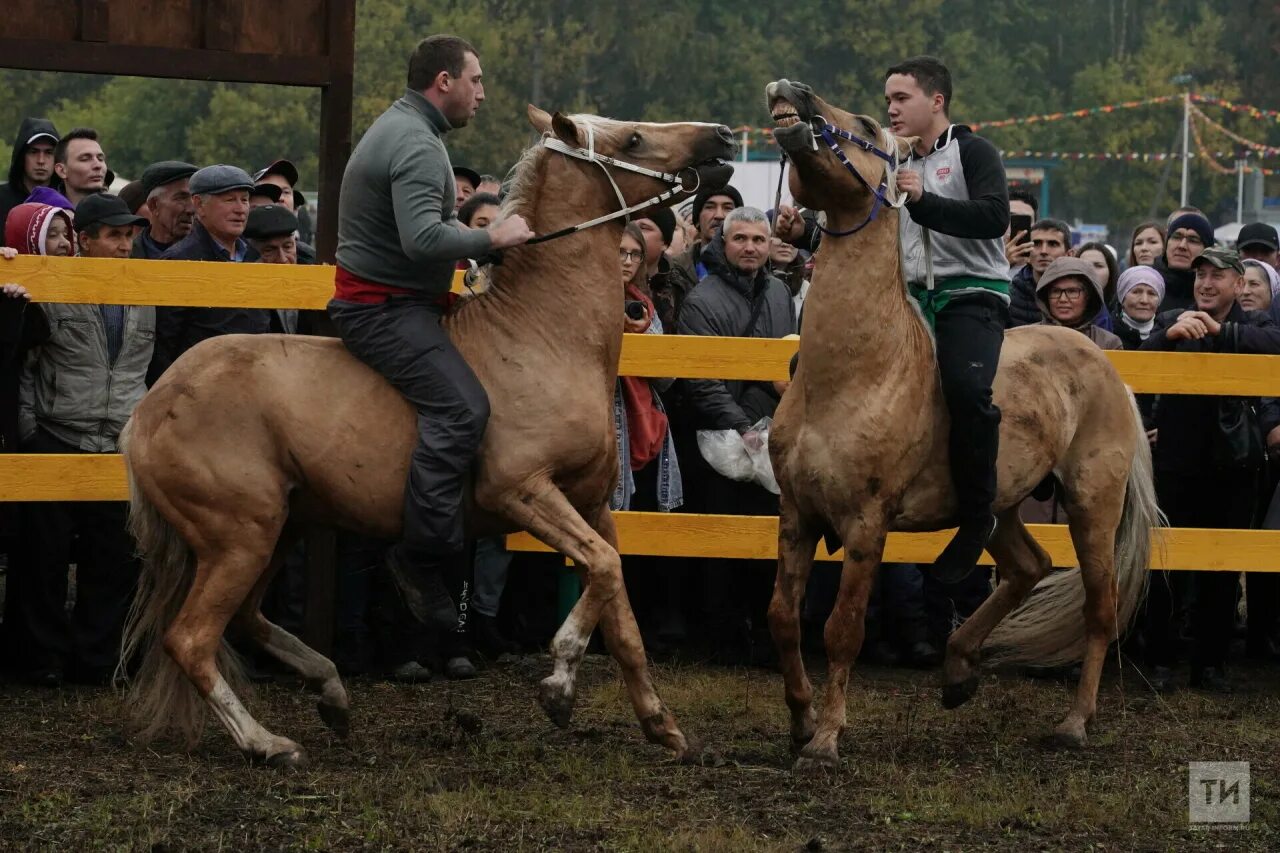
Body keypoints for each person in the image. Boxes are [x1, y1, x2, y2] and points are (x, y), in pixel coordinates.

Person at [329, 34, 532, 630]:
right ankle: (419, 559)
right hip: (383, 311)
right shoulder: (416, 143)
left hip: (402, 302)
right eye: (476, 79)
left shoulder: (408, 130)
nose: (482, 93)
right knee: (463, 409)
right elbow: (423, 240)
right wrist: (493, 238)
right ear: (443, 81)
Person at [10, 193, 151, 686]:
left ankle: (96, 663)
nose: (124, 245)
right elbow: (26, 367)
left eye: (130, 235)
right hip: (57, 435)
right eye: (113, 235)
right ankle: (39, 663)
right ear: (83, 240)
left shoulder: (149, 289)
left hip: (119, 441)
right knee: (42, 560)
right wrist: (30, 433)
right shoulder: (53, 286)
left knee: (114, 558)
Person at [884, 55, 1011, 582]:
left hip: (972, 294)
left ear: (936, 101)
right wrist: (801, 233)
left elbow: (994, 216)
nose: (890, 109)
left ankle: (979, 516)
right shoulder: (890, 159)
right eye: (887, 99)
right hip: (910, 300)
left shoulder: (974, 150)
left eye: (901, 98)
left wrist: (924, 200)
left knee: (965, 389)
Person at [1140, 247, 1280, 692]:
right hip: (1177, 461)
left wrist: (1224, 333)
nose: (1205, 282)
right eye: (1200, 274)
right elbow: (1140, 359)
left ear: (1239, 286)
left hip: (1235, 463)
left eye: (1217, 275)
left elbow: (1274, 344)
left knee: (1223, 564)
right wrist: (1169, 338)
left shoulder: (1254, 325)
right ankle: (1158, 658)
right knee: (1162, 562)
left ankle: (1211, 663)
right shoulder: (1172, 319)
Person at [677, 206, 795, 665]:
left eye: (759, 240)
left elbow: (790, 363)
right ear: (723, 244)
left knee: (772, 542)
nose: (750, 247)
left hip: (774, 435)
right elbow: (700, 380)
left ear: (769, 246)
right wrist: (741, 426)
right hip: (720, 438)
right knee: (721, 541)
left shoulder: (782, 295)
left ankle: (767, 637)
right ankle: (723, 639)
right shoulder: (701, 300)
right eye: (740, 239)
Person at [614, 223, 685, 654]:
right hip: (603, 429)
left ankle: (640, 624)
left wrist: (641, 337)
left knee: (643, 530)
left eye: (634, 255)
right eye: (619, 252)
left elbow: (668, 374)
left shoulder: (645, 305)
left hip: (646, 428)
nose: (626, 261)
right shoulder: (577, 300)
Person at [150, 165, 267, 382]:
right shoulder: (179, 262)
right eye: (230, 200)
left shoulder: (255, 258)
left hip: (254, 386)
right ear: (199, 205)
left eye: (245, 199)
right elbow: (164, 346)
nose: (240, 209)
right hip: (199, 391)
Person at [1035, 256, 1122, 350]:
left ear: (1088, 296)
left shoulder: (1108, 343)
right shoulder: (1026, 337)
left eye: (1072, 291)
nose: (1063, 299)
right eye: (1055, 291)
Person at [671, 185, 742, 283]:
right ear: (697, 221)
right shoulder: (675, 269)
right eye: (710, 207)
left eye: (727, 208)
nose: (719, 215)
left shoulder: (753, 268)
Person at [130, 160, 197, 260]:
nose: (191, 209)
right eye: (181, 198)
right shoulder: (126, 255)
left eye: (194, 198)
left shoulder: (211, 254)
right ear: (154, 205)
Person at [1008, 218, 1070, 327]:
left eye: (1053, 244)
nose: (1044, 251)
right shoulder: (1009, 295)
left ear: (1069, 254)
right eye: (1036, 244)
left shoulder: (1083, 293)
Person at [1, 119, 59, 233]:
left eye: (48, 152)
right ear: (22, 156)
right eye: (33, 152)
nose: (41, 160)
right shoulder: (1, 199)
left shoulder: (66, 201)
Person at [1156, 211, 1213, 313]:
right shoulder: (1144, 283)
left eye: (1193, 240)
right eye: (1176, 237)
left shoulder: (1215, 294)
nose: (1182, 246)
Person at [1110, 265, 1166, 350]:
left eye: (1151, 293)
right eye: (1136, 292)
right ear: (1122, 297)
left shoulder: (1167, 334)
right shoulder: (1107, 331)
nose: (1144, 300)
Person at [51, 128, 107, 207]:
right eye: (85, 159)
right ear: (62, 170)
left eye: (100, 159)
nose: (98, 165)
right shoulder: (46, 216)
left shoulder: (119, 213)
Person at [1003, 188, 1038, 277]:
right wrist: (1004, 263)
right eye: (1012, 218)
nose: (1019, 226)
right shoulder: (983, 263)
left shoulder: (1042, 265)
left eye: (1026, 220)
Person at [1075, 241, 1118, 307]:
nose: (1091, 271)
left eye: (1098, 266)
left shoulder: (1122, 310)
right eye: (1084, 265)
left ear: (1110, 271)